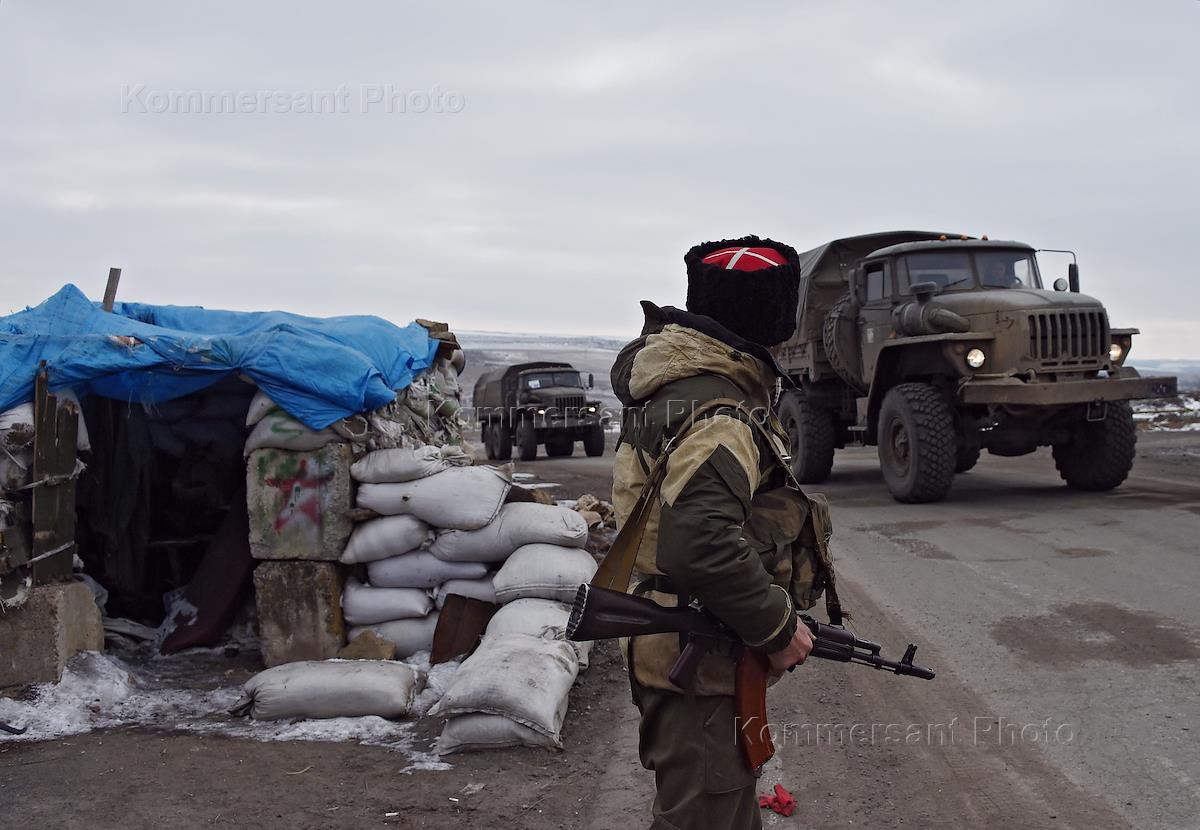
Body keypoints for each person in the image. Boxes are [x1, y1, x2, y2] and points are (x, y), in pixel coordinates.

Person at [610, 235, 816, 830]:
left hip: (687, 638)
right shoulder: (720, 414)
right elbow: (698, 542)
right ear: (770, 324)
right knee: (705, 814)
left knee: (720, 807)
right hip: (692, 648)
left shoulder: (682, 390)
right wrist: (777, 629)